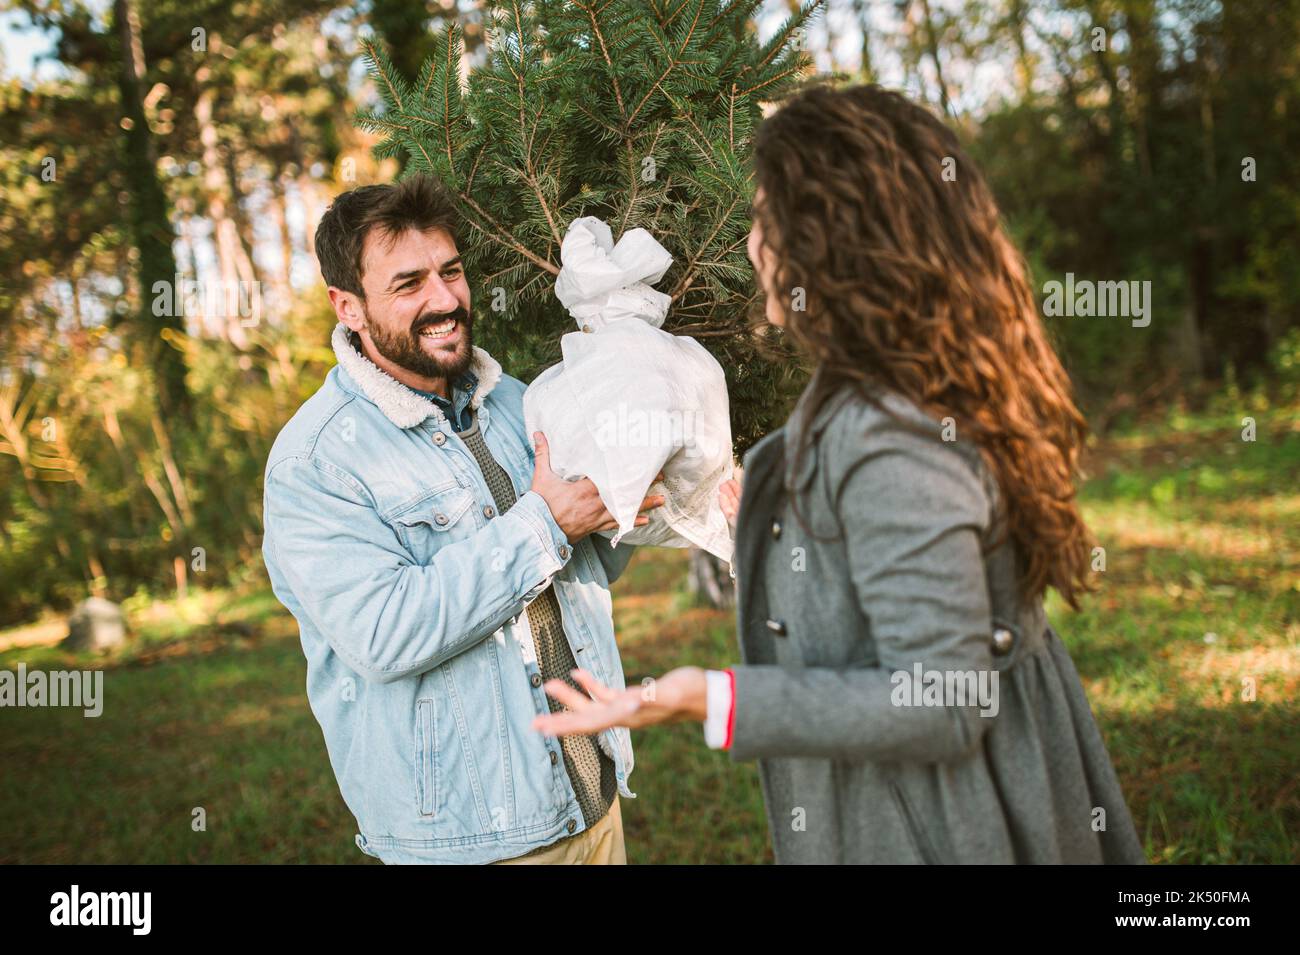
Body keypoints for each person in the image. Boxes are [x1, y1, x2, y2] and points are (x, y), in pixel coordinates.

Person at [531, 83, 1148, 864]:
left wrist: (710, 696)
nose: (752, 243)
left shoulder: (892, 431)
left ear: (825, 238)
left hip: (949, 820)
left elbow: (944, 700)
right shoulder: (926, 375)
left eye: (764, 217)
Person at [261, 174, 663, 864]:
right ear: (348, 307)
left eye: (451, 271)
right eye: (409, 283)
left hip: (595, 797)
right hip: (471, 843)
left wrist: (635, 494)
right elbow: (385, 632)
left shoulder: (516, 400)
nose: (444, 299)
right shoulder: (317, 462)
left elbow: (589, 564)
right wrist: (545, 524)